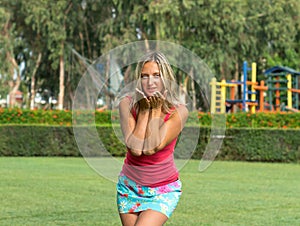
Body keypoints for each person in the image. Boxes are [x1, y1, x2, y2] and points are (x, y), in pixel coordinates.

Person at [116, 50, 188, 226]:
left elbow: (150, 148)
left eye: (156, 75)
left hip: (163, 190)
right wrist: (144, 110)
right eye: (145, 76)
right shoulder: (126, 104)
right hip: (129, 187)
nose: (150, 82)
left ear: (165, 77)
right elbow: (135, 148)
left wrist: (155, 110)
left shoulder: (179, 111)